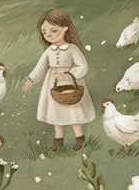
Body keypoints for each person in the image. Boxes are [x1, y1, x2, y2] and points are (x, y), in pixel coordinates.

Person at [21, 8, 92, 151]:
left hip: (71, 84)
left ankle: (79, 136)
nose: (48, 35)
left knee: (73, 110)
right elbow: (41, 67)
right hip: (52, 83)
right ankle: (58, 138)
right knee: (55, 112)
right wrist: (31, 79)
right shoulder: (49, 51)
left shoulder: (72, 49)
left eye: (53, 30)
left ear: (65, 28)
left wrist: (70, 74)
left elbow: (82, 66)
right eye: (44, 32)